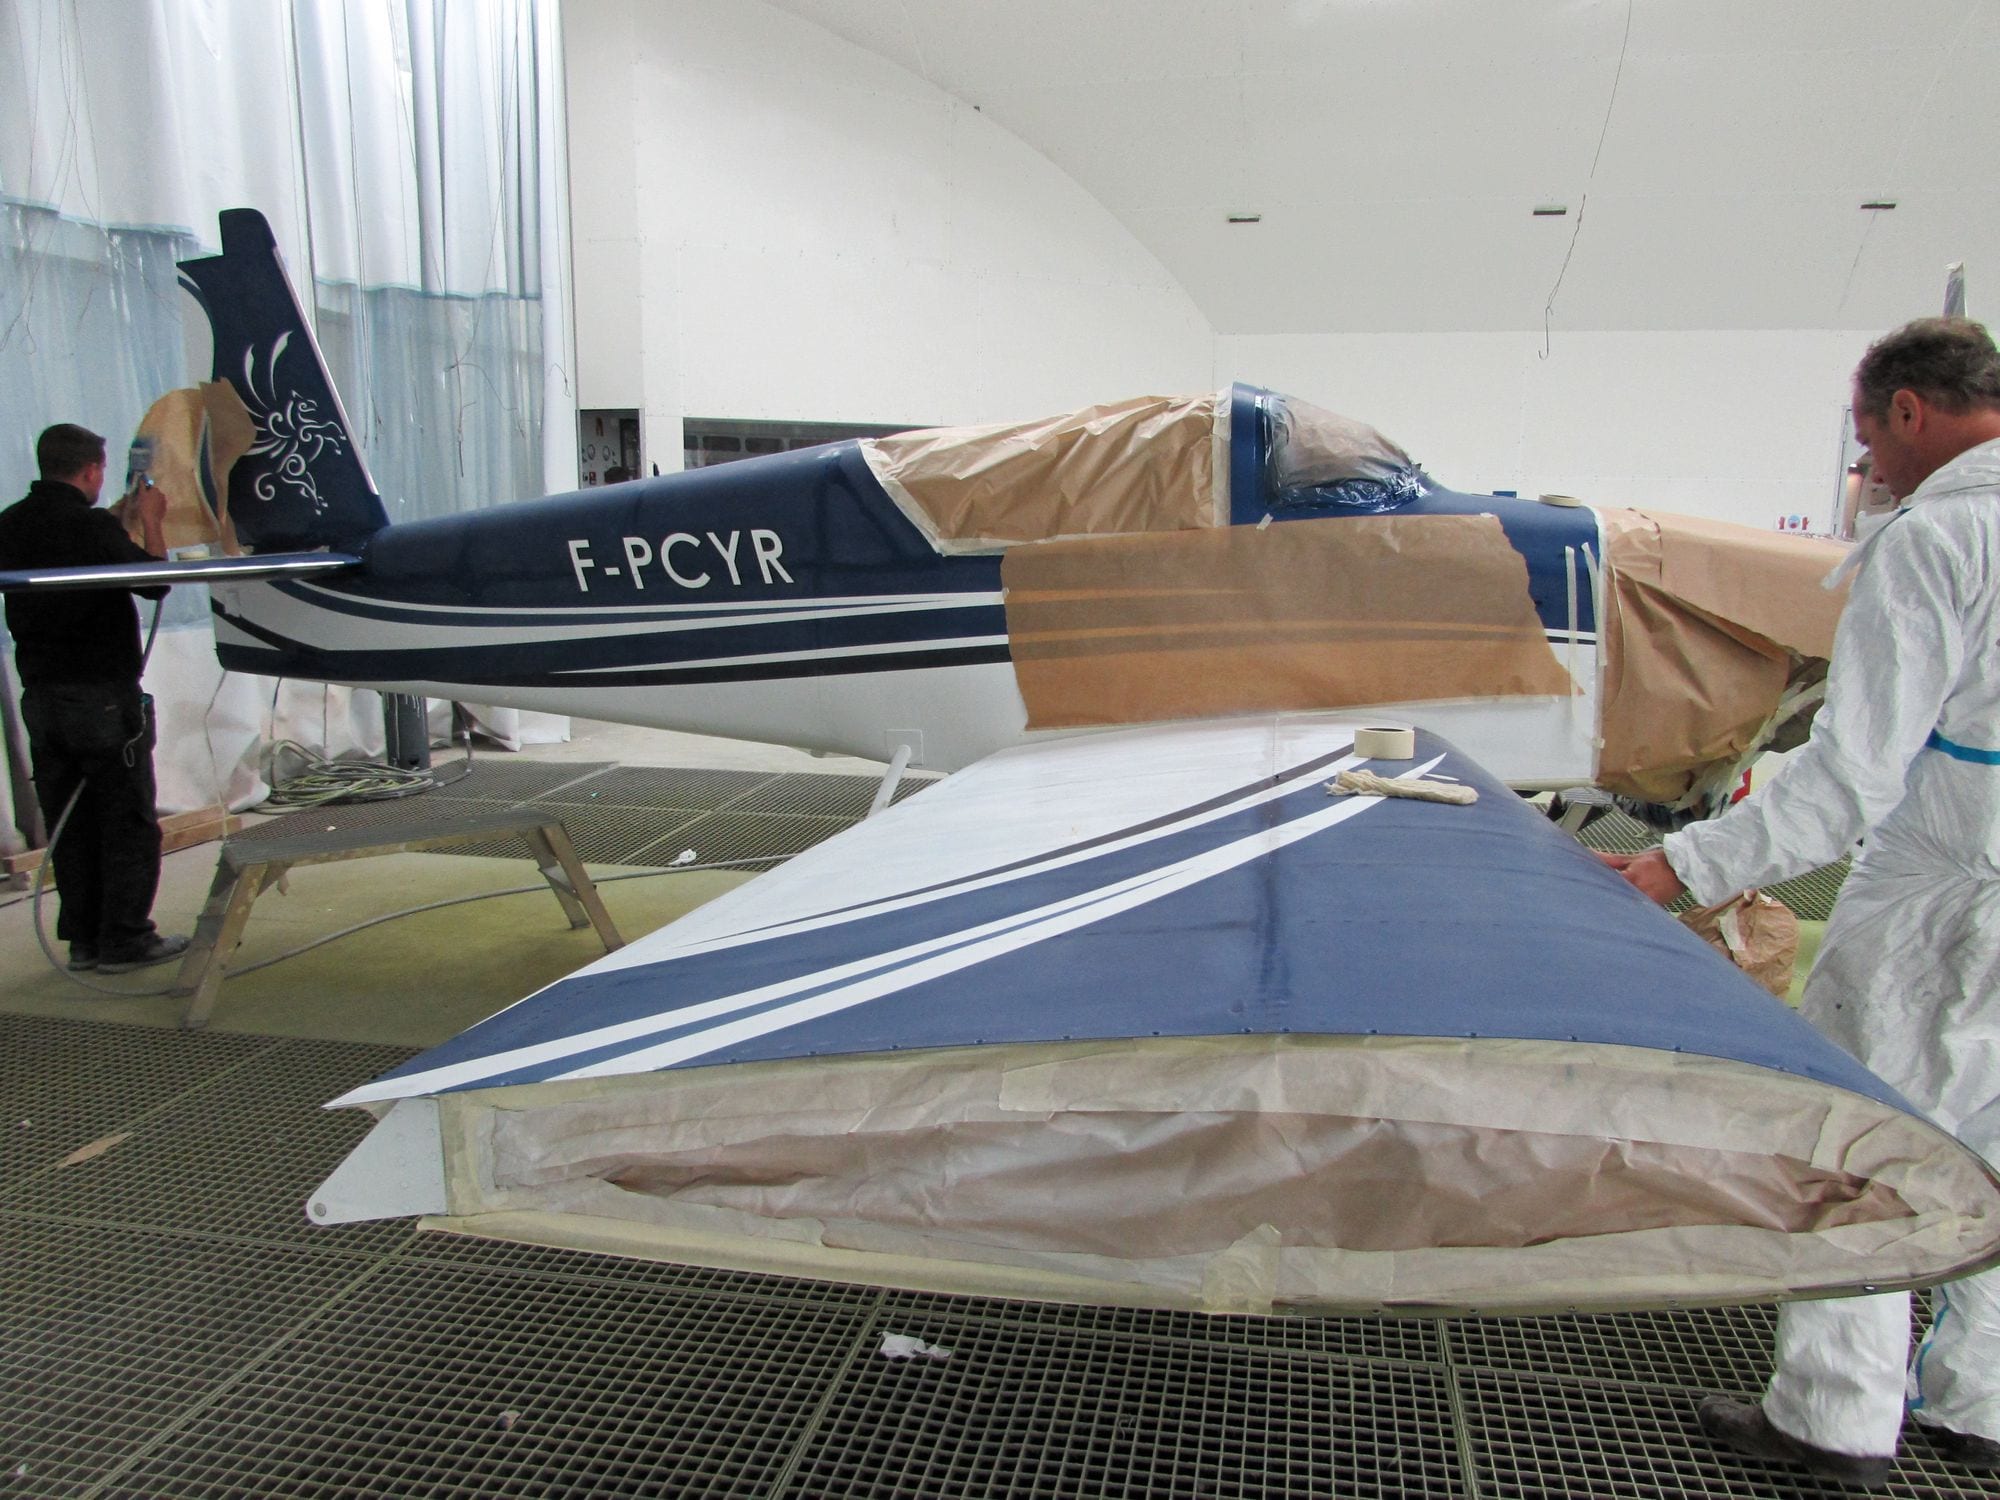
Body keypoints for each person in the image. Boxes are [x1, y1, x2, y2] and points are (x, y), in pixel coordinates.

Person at [1604, 317, 2000, 1487]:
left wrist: (1678, 866)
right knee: (1990, 1138)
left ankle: (1832, 1419)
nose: (1866, 463)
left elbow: (1846, 780)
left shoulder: (1937, 537)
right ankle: (1977, 1398)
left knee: (1858, 1144)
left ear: (1906, 411)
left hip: (1947, 890)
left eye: (1867, 436)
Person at [0, 424, 189, 974]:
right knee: (126, 820)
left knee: (71, 821)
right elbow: (154, 584)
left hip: (42, 698)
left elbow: (70, 547)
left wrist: (114, 522)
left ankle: (84, 940)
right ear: (91, 470)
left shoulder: (10, 523)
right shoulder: (89, 528)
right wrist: (151, 521)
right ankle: (126, 939)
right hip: (101, 698)